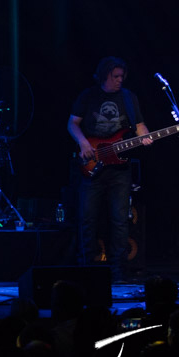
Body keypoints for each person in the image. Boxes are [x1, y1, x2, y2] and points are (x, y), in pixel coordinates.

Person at [67, 56, 151, 282]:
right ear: (104, 76)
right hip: (92, 163)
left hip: (120, 170)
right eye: (115, 76)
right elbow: (72, 123)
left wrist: (145, 136)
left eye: (122, 76)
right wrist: (84, 143)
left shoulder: (128, 97)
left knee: (120, 220)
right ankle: (85, 269)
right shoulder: (89, 96)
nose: (119, 80)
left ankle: (118, 271)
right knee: (87, 219)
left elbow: (140, 125)